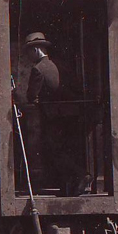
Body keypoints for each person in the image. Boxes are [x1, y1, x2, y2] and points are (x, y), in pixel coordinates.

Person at [19, 32, 90, 196]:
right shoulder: (61, 65)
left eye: (29, 52)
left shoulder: (38, 69)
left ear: (36, 50)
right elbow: (77, 89)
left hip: (54, 118)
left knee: (53, 151)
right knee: (65, 150)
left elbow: (31, 96)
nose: (29, 56)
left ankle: (81, 175)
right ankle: (71, 186)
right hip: (72, 116)